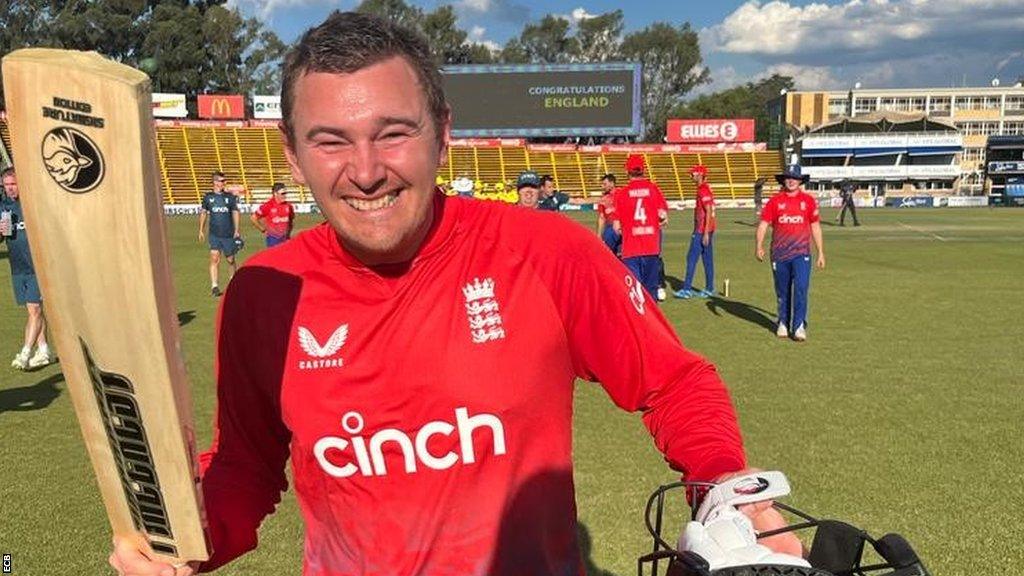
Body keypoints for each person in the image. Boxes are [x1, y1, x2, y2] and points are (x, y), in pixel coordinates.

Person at [110, 12, 799, 576]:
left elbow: (674, 383)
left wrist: (728, 492)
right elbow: (247, 466)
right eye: (331, 141)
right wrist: (188, 539)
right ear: (291, 151)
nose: (366, 171)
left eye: (393, 133)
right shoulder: (263, 292)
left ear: (442, 132)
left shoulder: (544, 251)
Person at [755, 164, 826, 342]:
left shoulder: (808, 201)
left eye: (794, 177)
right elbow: (763, 224)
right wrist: (759, 245)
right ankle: (783, 323)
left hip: (802, 253)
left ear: (800, 180)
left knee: (801, 288)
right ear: (783, 180)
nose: (791, 180)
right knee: (782, 291)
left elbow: (815, 226)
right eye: (788, 177)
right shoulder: (775, 201)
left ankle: (799, 325)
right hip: (779, 254)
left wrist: (821, 252)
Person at [0, 167, 53, 370]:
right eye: (6, 185)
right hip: (18, 267)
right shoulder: (4, 207)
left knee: (35, 309)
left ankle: (25, 353)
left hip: (37, 266)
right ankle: (44, 350)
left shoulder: (32, 205)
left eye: (13, 184)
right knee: (33, 310)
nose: (10, 189)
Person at [613, 154, 668, 300]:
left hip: (631, 250)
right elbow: (663, 217)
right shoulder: (654, 190)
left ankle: (636, 322)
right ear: (643, 170)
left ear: (627, 171)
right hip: (651, 248)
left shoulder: (621, 194)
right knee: (651, 292)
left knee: (634, 295)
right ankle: (652, 322)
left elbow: (616, 227)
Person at [675, 165, 716, 299]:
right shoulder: (706, 188)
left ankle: (687, 289)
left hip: (701, 230)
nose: (691, 176)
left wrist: (704, 232)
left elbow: (708, 210)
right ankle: (709, 288)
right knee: (707, 259)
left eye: (693, 174)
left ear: (699, 174)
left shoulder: (702, 190)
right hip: (708, 229)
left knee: (691, 258)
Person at [198, 171, 241, 297]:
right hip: (214, 234)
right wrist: (201, 229)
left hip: (228, 234)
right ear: (215, 182)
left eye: (224, 181)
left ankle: (233, 282)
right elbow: (204, 213)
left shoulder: (230, 197)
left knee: (230, 260)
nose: (223, 183)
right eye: (221, 181)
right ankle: (214, 286)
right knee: (214, 258)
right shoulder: (208, 197)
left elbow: (235, 213)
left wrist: (237, 230)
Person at [251, 182, 295, 247]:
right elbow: (253, 218)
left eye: (286, 193)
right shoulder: (268, 206)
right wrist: (262, 229)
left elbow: (291, 220)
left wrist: (288, 234)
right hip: (273, 239)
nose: (285, 195)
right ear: (275, 194)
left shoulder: (289, 206)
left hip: (285, 238)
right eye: (282, 193)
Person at [596, 173, 620, 255]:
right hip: (610, 228)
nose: (602, 186)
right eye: (602, 184)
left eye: (605, 184)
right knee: (608, 254)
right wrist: (599, 235)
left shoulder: (622, 194)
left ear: (612, 183)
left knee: (624, 256)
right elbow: (602, 217)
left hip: (623, 227)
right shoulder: (603, 198)